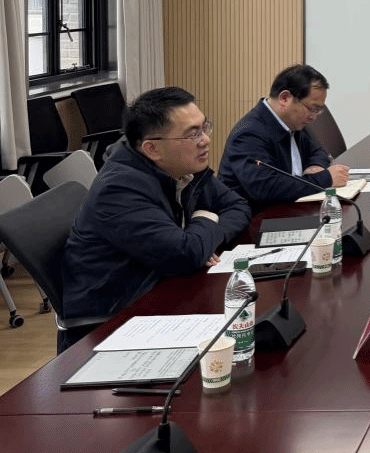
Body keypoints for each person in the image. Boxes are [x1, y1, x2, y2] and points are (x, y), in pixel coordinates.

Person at [60, 86, 250, 351]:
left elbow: (237, 205)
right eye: (193, 134)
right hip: (115, 325)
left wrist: (204, 240)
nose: (205, 140)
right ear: (152, 148)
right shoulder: (119, 190)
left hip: (167, 292)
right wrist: (205, 222)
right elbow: (185, 254)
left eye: (204, 127)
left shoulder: (183, 166)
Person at [219, 64, 349, 209]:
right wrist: (325, 179)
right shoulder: (249, 134)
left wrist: (315, 166)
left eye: (318, 111)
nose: (314, 117)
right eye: (312, 109)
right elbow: (267, 188)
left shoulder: (292, 123)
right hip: (256, 216)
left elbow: (318, 151)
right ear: (285, 98)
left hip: (289, 208)